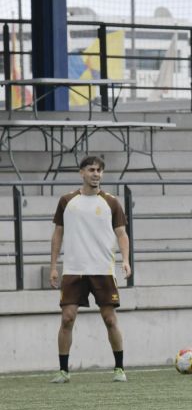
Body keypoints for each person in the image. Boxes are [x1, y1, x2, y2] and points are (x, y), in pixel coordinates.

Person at [49, 156, 131, 383]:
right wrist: (54, 266)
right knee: (67, 318)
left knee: (110, 319)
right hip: (74, 269)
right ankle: (64, 370)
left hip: (102, 269)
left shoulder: (111, 202)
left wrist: (125, 260)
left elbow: (122, 234)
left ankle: (119, 368)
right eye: (91, 170)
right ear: (81, 173)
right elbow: (58, 234)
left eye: (99, 170)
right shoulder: (67, 201)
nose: (96, 174)